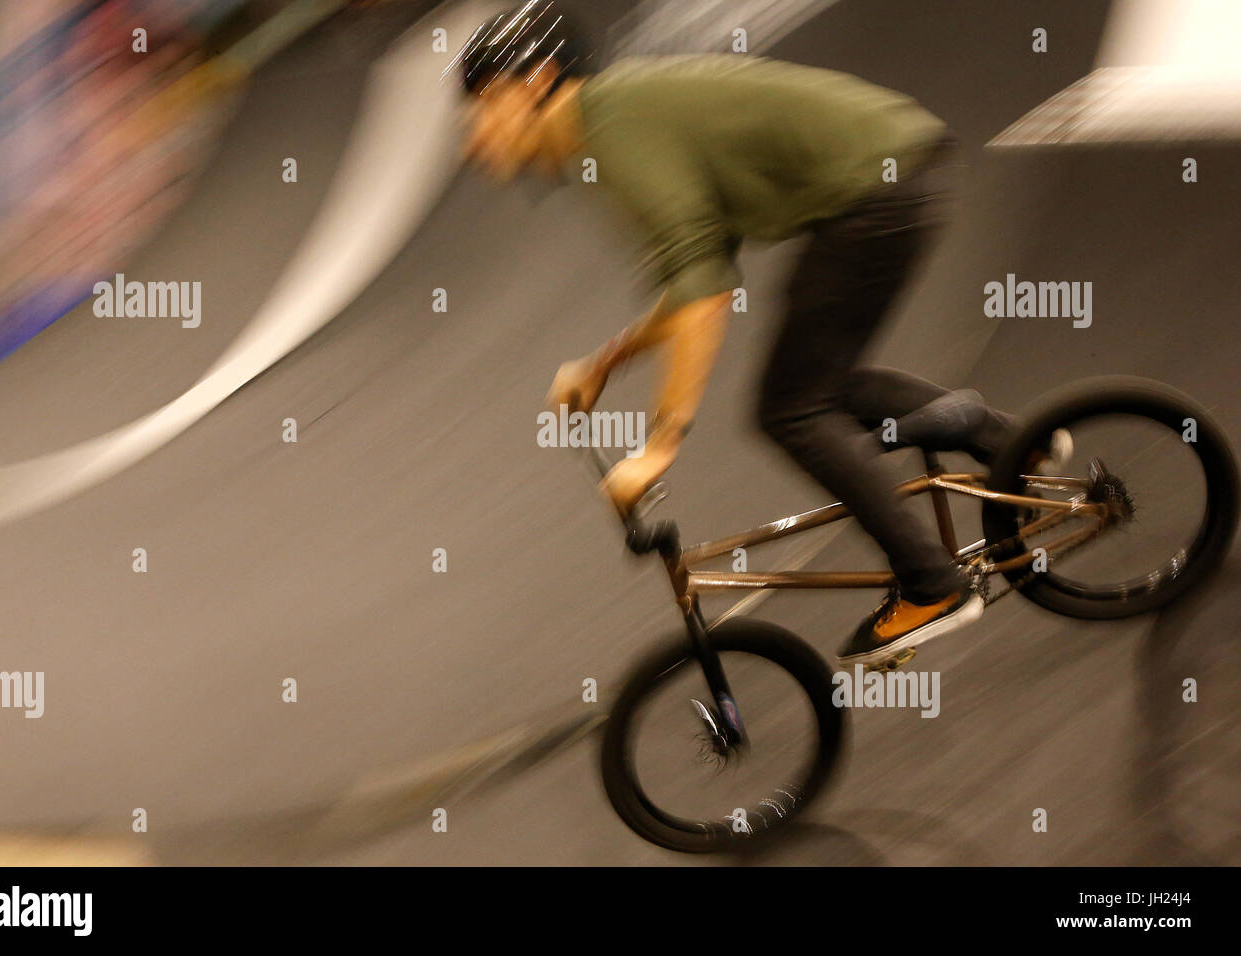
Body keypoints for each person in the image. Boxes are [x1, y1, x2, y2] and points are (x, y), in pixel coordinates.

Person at [451, 2, 1063, 665]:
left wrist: (660, 447)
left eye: (485, 104)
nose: (473, 137)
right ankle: (1007, 442)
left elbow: (703, 292)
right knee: (820, 384)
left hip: (876, 193)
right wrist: (605, 364)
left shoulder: (610, 127)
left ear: (539, 80)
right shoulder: (608, 123)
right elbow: (695, 275)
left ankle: (933, 584)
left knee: (793, 411)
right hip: (885, 179)